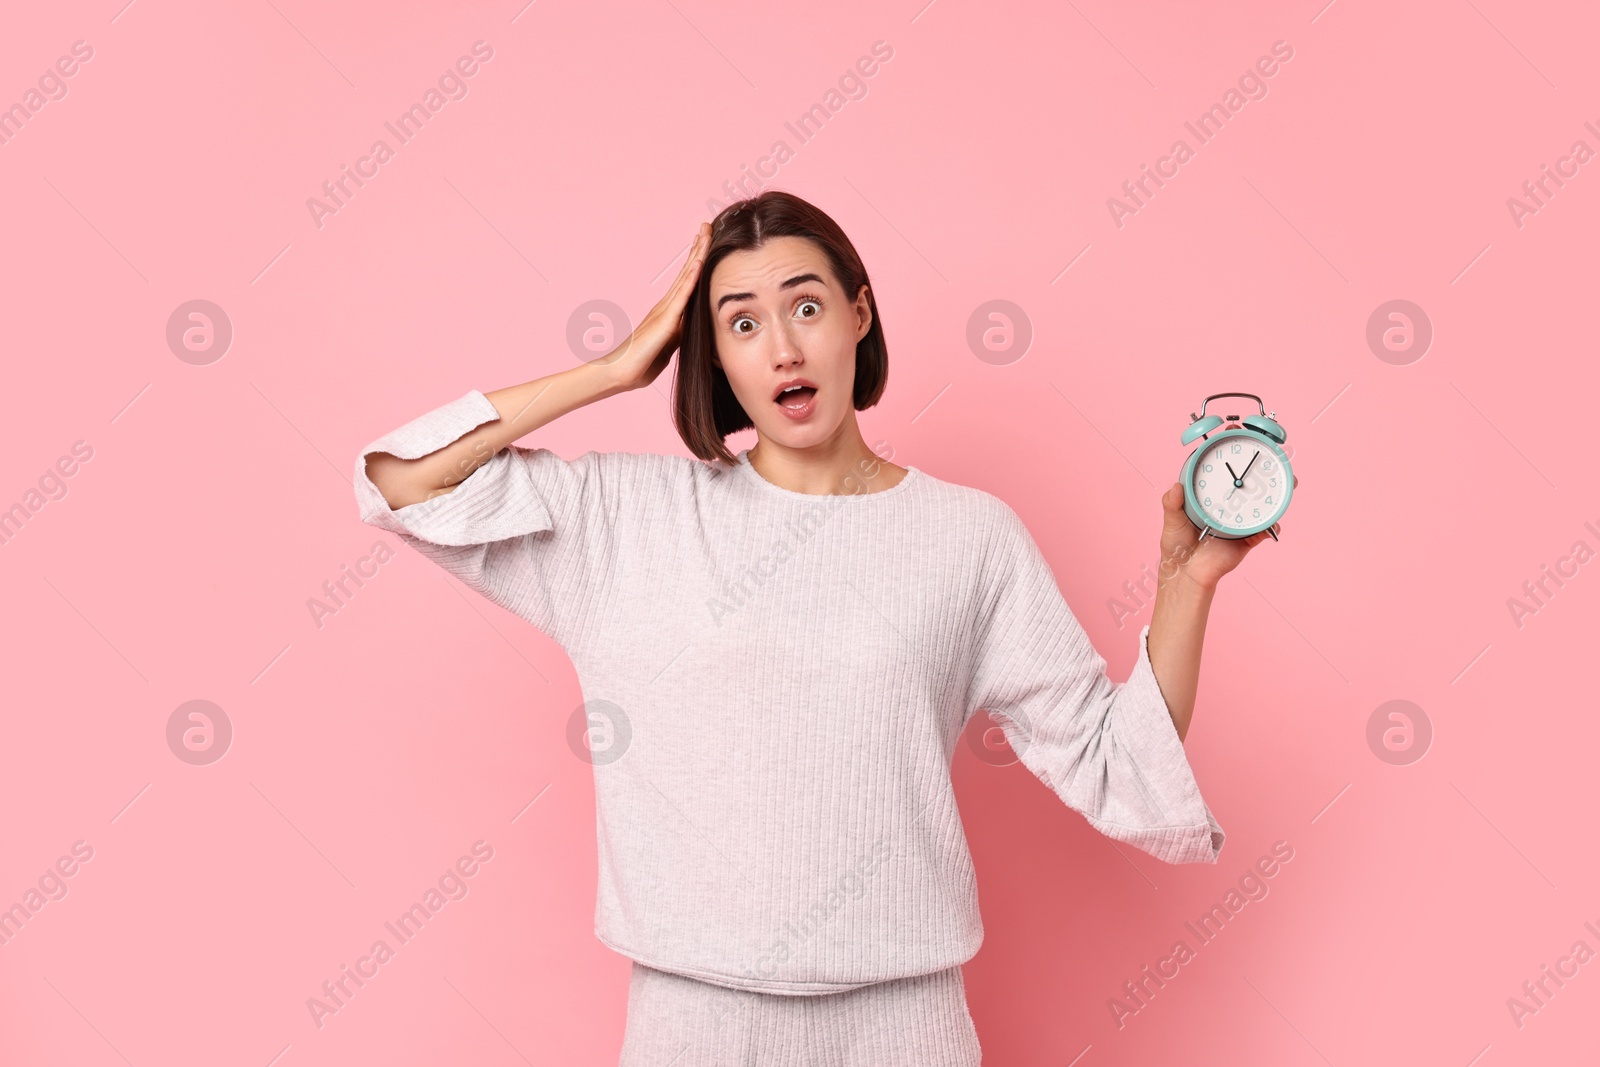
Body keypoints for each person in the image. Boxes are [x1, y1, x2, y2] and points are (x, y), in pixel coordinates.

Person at [353, 191, 1291, 1065]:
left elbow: (1117, 758)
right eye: (742, 323)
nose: (782, 350)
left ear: (859, 314)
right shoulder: (625, 520)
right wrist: (613, 368)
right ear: (712, 355)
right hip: (692, 1025)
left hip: (903, 1024)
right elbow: (399, 482)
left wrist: (1185, 582)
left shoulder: (968, 537)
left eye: (805, 307)